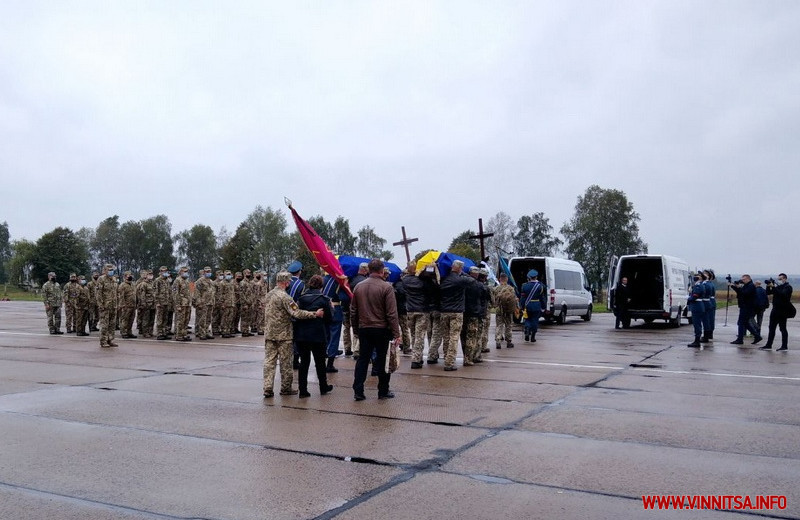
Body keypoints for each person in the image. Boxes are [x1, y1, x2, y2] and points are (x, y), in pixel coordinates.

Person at [263, 271, 323, 398]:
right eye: (289, 281)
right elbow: (297, 313)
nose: (290, 283)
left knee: (269, 362)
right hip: (284, 335)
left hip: (269, 334)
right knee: (286, 363)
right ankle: (285, 388)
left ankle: (268, 388)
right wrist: (314, 314)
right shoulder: (285, 297)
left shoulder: (268, 295)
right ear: (286, 282)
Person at [351, 258, 402, 400]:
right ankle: (383, 390)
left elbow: (353, 311)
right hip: (381, 329)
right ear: (382, 270)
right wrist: (396, 333)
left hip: (364, 328)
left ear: (369, 270)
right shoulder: (386, 287)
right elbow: (391, 313)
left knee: (362, 359)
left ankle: (358, 391)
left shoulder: (358, 287)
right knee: (382, 360)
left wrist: (355, 329)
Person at [294, 275, 334, 397]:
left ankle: (303, 390)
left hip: (302, 335)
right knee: (320, 362)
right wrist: (331, 308)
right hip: (318, 335)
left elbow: (295, 315)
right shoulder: (324, 299)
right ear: (321, 286)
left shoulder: (301, 299)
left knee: (304, 363)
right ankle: (323, 386)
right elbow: (329, 319)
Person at [405, 264, 438, 368]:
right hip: (422, 310)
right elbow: (434, 290)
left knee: (414, 334)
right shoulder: (424, 282)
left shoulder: (405, 281)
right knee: (420, 336)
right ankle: (416, 359)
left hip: (410, 310)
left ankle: (416, 356)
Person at [321, 272, 348, 373]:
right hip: (335, 310)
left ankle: (322, 362)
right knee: (334, 338)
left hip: (324, 309)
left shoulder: (323, 279)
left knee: (326, 336)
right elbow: (343, 297)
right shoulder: (337, 281)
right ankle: (330, 364)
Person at [761, 274, 792, 351]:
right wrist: (768, 285)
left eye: (780, 279)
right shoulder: (778, 287)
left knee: (782, 328)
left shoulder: (788, 287)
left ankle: (784, 346)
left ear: (785, 279)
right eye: (778, 279)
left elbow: (783, 295)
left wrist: (774, 287)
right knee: (771, 328)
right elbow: (768, 293)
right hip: (775, 309)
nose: (779, 280)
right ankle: (769, 345)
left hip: (782, 310)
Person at [345, 262, 369, 359]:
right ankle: (358, 350)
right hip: (362, 307)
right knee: (361, 327)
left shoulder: (351, 280)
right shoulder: (365, 281)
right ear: (364, 270)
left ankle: (352, 348)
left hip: (350, 306)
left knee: (351, 328)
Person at [730, 274, 762, 345]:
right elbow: (740, 293)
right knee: (745, 323)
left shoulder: (751, 286)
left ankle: (740, 339)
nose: (743, 281)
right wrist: (734, 286)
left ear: (748, 279)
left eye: (744, 279)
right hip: (744, 306)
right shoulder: (747, 285)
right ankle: (757, 336)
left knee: (741, 323)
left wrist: (738, 287)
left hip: (747, 307)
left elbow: (744, 293)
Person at [461, 266, 483, 366]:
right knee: (471, 336)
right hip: (474, 313)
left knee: (463, 335)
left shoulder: (462, 283)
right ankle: (468, 358)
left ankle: (465, 354)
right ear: (477, 274)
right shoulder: (478, 285)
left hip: (463, 312)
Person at [519, 269, 546, 342]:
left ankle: (527, 330)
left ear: (529, 277)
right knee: (535, 320)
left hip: (527, 305)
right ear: (536, 277)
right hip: (536, 305)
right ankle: (533, 337)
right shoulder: (540, 286)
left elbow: (522, 298)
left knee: (527, 319)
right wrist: (544, 307)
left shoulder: (524, 286)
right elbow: (542, 298)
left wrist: (521, 306)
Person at [97, 264, 119, 348]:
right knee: (104, 324)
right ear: (105, 270)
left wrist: (117, 303)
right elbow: (98, 293)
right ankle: (103, 341)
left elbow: (116, 292)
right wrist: (101, 304)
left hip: (113, 305)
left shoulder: (114, 279)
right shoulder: (101, 279)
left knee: (112, 324)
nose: (111, 271)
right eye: (109, 270)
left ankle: (110, 340)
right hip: (105, 306)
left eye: (112, 269)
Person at [493, 273, 517, 349]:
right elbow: (513, 300)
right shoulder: (510, 289)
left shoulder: (496, 289)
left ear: (500, 279)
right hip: (508, 310)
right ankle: (509, 341)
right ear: (506, 279)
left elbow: (494, 300)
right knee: (508, 325)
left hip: (499, 310)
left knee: (499, 325)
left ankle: (498, 341)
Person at [687, 271, 708, 348]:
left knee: (697, 324)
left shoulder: (698, 286)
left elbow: (695, 296)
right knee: (697, 324)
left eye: (697, 276)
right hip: (698, 306)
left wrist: (688, 298)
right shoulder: (698, 285)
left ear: (701, 278)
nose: (695, 277)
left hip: (697, 306)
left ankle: (697, 341)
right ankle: (697, 340)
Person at [117, 271, 137, 338]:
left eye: (131, 274)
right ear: (125, 276)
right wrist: (122, 305)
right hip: (126, 306)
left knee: (131, 320)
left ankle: (129, 332)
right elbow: (121, 296)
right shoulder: (122, 285)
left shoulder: (133, 284)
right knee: (125, 319)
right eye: (129, 275)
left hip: (133, 305)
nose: (130, 276)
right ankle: (124, 332)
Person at [154, 266, 172, 340]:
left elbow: (169, 292)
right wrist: (157, 302)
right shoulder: (157, 280)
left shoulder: (167, 280)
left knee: (165, 319)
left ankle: (164, 332)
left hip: (166, 302)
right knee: (160, 319)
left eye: (166, 271)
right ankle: (159, 333)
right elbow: (155, 292)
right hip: (160, 303)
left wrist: (170, 301)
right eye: (163, 271)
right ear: (160, 272)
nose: (165, 272)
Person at [701, 269, 717, 342]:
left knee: (707, 319)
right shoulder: (709, 283)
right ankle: (709, 334)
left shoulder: (706, 284)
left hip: (708, 302)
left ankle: (707, 335)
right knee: (710, 319)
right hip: (711, 301)